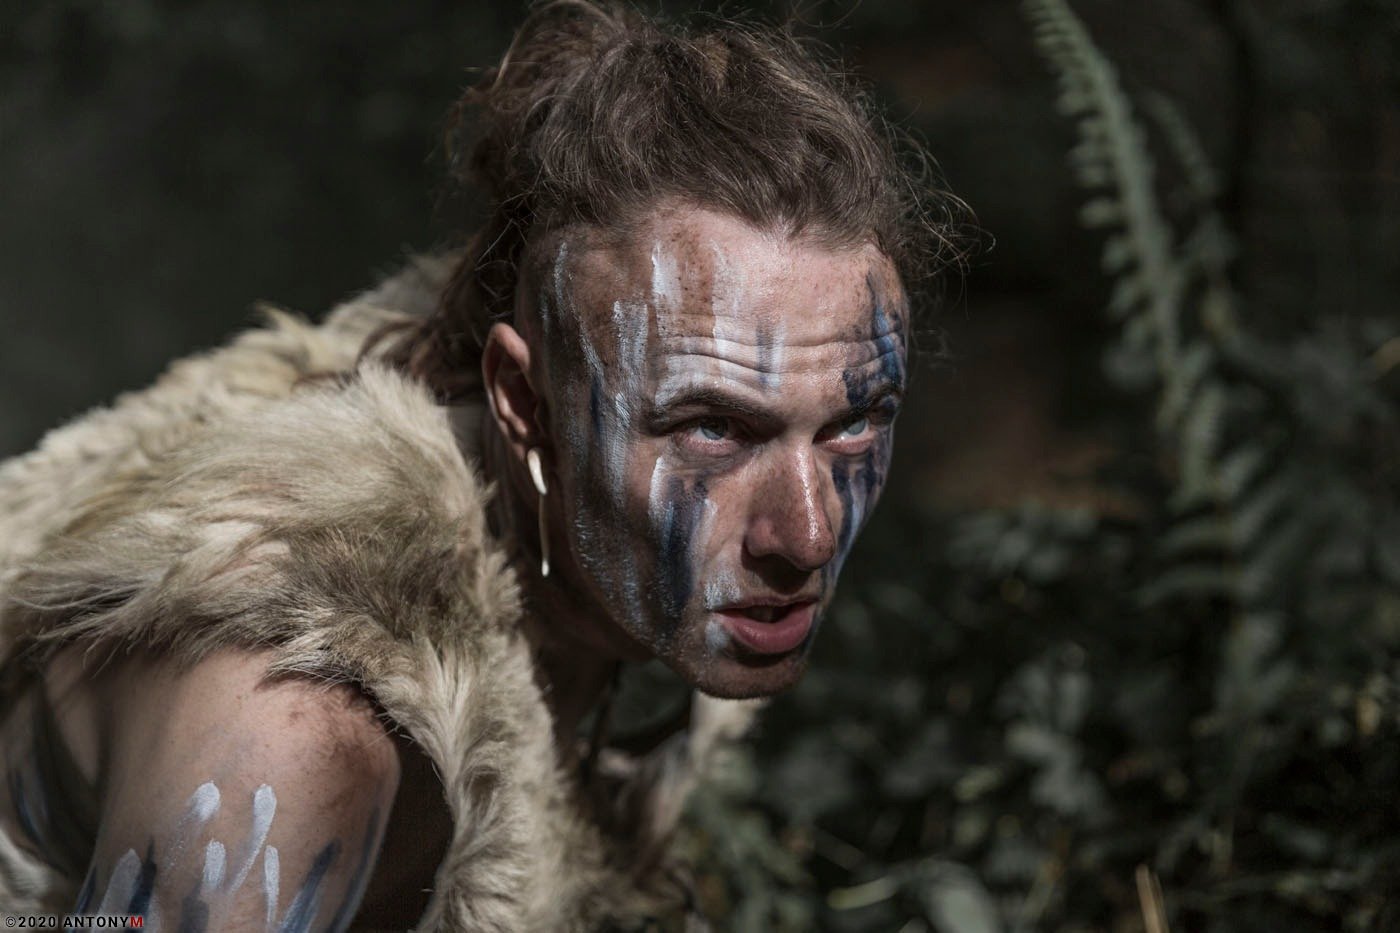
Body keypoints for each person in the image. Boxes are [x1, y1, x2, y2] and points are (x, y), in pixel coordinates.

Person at [0, 1, 963, 929]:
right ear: (521, 399)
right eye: (713, 428)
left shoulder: (606, 574)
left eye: (853, 422)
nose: (808, 531)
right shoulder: (304, 735)